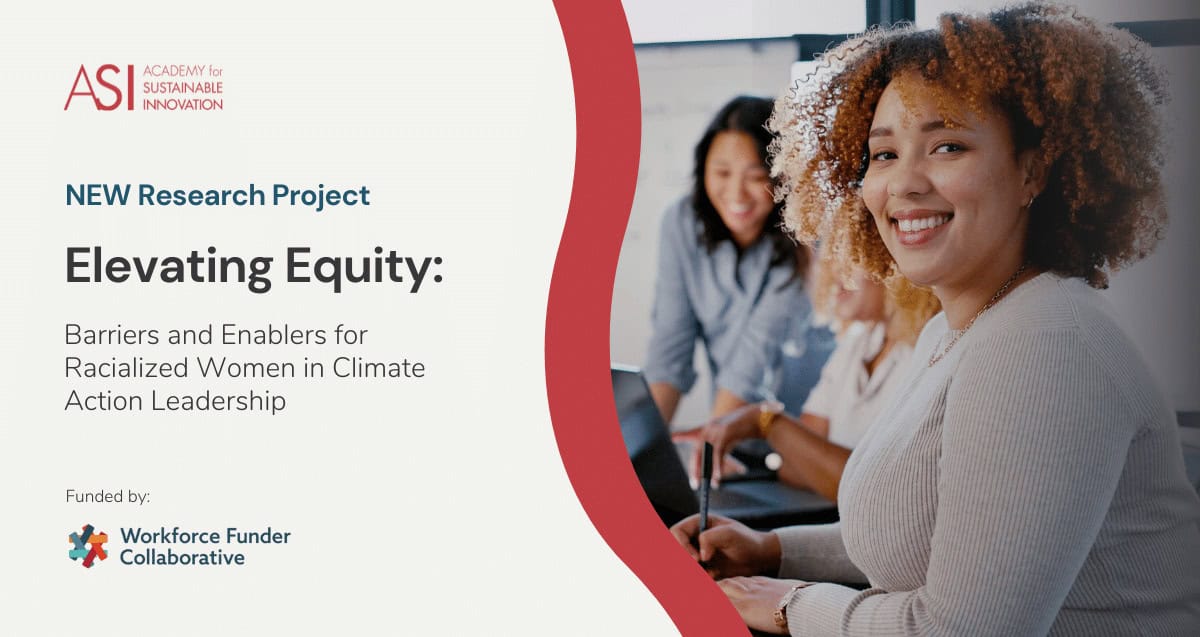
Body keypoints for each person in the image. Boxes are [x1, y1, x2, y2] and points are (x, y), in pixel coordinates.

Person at [671, 4, 1200, 635]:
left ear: (1033, 169)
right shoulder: (957, 329)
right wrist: (774, 551)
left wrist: (789, 605)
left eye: (948, 145)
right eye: (884, 153)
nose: (904, 183)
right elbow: (925, 532)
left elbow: (960, 629)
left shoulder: (1046, 343)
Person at [644, 96, 830, 424]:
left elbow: (757, 350)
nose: (736, 193)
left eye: (756, 176)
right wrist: (640, 449)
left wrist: (712, 440)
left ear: (780, 176)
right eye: (722, 173)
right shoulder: (681, 222)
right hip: (734, 431)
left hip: (807, 432)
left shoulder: (805, 228)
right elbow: (669, 347)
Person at [685, 265, 940, 502]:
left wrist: (767, 421)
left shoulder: (934, 351)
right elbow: (791, 466)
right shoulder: (858, 342)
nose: (836, 274)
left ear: (893, 267)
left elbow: (879, 492)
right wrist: (825, 467)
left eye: (853, 259)